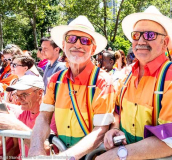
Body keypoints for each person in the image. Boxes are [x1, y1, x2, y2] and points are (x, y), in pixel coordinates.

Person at [97, 6, 172, 160]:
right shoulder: (125, 75)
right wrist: (115, 128)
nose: (141, 40)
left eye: (150, 35)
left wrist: (119, 154)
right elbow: (116, 110)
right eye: (136, 35)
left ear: (165, 42)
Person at [28, 15, 115, 160]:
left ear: (93, 48)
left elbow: (100, 130)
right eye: (72, 39)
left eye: (85, 40)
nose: (78, 45)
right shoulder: (55, 80)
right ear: (63, 44)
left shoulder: (103, 81)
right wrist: (35, 151)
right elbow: (43, 117)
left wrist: (66, 157)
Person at [0, 75, 57, 158]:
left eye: (23, 94)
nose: (19, 99)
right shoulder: (22, 114)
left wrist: (16, 126)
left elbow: (47, 150)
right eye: (17, 95)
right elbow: (16, 147)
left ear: (40, 92)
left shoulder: (52, 116)